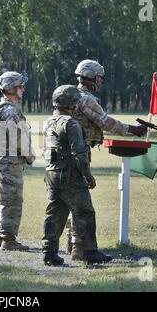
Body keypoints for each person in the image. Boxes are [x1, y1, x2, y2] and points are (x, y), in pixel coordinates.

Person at [64, 59, 148, 255]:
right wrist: (132, 130)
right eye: (99, 77)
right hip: (79, 152)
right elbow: (105, 122)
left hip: (66, 153)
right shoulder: (86, 99)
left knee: (70, 199)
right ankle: (80, 247)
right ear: (91, 77)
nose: (101, 81)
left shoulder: (70, 95)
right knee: (81, 200)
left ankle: (72, 243)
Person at [42, 85, 112, 266]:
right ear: (72, 103)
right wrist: (88, 176)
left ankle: (49, 252)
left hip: (52, 173)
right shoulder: (71, 123)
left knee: (55, 213)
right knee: (85, 212)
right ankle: (90, 252)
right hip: (70, 175)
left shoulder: (49, 121)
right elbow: (79, 154)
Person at [0, 71, 36, 251]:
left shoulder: (3, 108)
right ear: (11, 89)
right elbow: (16, 135)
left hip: (6, 160)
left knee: (5, 198)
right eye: (20, 86)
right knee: (12, 200)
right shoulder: (8, 110)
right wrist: (29, 155)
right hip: (10, 161)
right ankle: (8, 240)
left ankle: (1, 237)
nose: (23, 89)